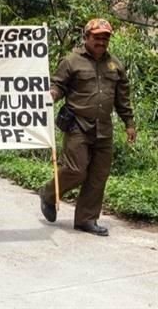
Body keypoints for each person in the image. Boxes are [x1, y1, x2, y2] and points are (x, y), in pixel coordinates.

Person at [39, 19, 135, 236]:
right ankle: (48, 192)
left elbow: (123, 99)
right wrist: (52, 95)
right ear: (86, 37)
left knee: (98, 176)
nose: (102, 41)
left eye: (105, 37)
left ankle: (86, 219)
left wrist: (129, 123)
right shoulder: (72, 61)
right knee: (76, 170)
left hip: (104, 128)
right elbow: (58, 85)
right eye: (97, 37)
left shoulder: (115, 65)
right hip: (78, 126)